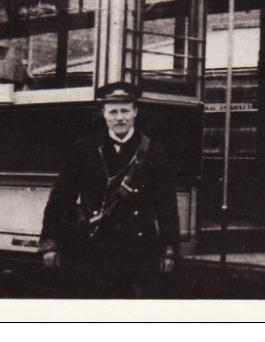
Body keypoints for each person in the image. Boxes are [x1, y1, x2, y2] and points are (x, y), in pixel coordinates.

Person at [38, 82, 180, 296]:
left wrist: (169, 250)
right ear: (103, 114)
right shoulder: (84, 148)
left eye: (125, 110)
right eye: (113, 111)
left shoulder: (154, 152)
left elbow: (166, 205)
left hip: (138, 251)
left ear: (135, 112)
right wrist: (50, 241)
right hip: (93, 249)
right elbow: (61, 197)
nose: (119, 117)